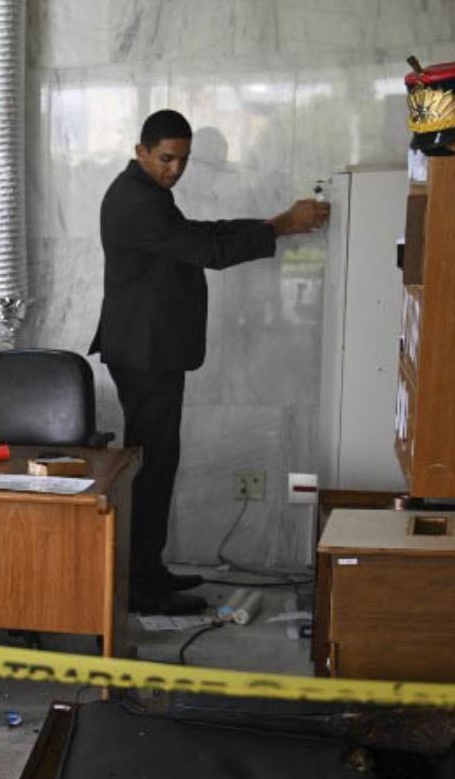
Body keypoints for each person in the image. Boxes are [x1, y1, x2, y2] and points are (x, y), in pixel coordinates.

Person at [89, 109, 328, 615]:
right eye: (166, 158)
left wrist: (271, 224)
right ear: (141, 152)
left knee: (158, 464)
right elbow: (207, 251)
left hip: (149, 350)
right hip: (144, 353)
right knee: (152, 469)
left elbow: (203, 232)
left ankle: (148, 570)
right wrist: (283, 225)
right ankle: (138, 586)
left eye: (183, 160)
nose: (175, 169)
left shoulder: (148, 194)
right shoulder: (137, 201)